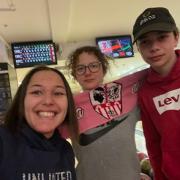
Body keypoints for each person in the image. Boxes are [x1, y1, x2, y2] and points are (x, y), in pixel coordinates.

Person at [67, 46, 141, 180]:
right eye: (80, 68)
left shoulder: (126, 99)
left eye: (93, 66)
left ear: (104, 69)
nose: (87, 72)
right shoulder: (68, 108)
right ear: (75, 75)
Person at [0, 65, 79, 180]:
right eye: (37, 92)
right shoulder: (3, 141)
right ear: (22, 99)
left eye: (58, 93)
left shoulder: (65, 150)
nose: (48, 101)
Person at [133, 7, 180, 179]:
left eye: (162, 37)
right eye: (145, 42)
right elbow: (153, 144)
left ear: (176, 37)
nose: (154, 47)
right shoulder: (146, 92)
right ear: (138, 48)